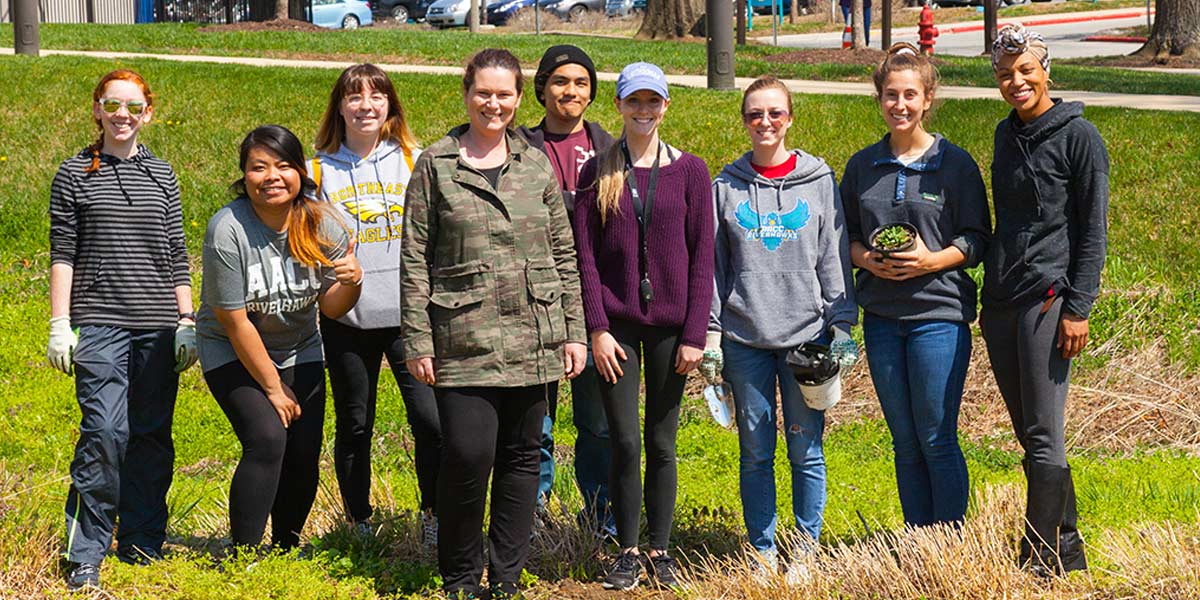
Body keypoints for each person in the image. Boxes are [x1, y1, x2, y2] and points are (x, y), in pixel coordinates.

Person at [399, 48, 587, 600]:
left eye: (505, 94)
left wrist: (573, 329)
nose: (494, 103)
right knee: (467, 454)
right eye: (484, 92)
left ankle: (506, 578)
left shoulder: (536, 164)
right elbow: (415, 258)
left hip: (534, 332)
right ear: (466, 94)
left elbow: (563, 250)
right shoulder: (436, 165)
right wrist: (417, 337)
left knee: (523, 456)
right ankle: (459, 577)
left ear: (518, 98)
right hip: (462, 337)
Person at [50, 69, 197, 591]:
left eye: (133, 108)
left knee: (151, 435)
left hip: (158, 325)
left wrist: (187, 320)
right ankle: (85, 551)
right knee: (105, 433)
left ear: (148, 114)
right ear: (96, 109)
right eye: (113, 105)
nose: (122, 116)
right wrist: (60, 322)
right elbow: (63, 252)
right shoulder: (74, 173)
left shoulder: (163, 175)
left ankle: (141, 541)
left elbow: (177, 253)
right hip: (100, 324)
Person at [705, 75, 857, 579]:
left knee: (805, 447)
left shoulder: (817, 182)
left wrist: (841, 323)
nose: (764, 122)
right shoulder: (724, 188)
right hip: (745, 338)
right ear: (744, 121)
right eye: (754, 114)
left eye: (774, 113)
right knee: (755, 451)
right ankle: (762, 548)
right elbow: (713, 268)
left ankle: (806, 548)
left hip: (805, 340)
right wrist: (710, 334)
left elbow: (833, 257)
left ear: (790, 117)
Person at [573, 62, 715, 591]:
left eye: (653, 101)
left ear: (666, 106)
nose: (644, 111)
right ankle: (627, 550)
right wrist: (597, 328)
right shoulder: (599, 173)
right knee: (624, 441)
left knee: (661, 440)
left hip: (671, 330)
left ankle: (661, 548)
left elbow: (703, 257)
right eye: (635, 101)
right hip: (618, 329)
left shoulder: (691, 171)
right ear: (618, 106)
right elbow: (585, 258)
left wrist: (696, 334)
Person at [841, 44, 990, 529]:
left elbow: (976, 239)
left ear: (928, 99)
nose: (899, 105)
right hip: (883, 317)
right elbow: (845, 238)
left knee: (936, 435)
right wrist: (867, 260)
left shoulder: (955, 163)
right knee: (903, 440)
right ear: (879, 100)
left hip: (938, 316)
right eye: (890, 95)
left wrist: (931, 260)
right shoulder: (863, 167)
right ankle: (917, 539)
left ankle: (948, 542)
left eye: (910, 95)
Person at [197, 125, 362, 553]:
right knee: (268, 438)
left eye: (284, 165)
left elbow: (330, 307)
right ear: (244, 176)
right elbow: (234, 322)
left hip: (300, 346)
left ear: (301, 172)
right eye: (259, 167)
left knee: (304, 450)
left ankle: (286, 547)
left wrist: (353, 282)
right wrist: (273, 388)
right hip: (230, 347)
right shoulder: (227, 229)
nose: (272, 176)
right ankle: (243, 553)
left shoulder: (323, 222)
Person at [984, 24, 1107, 577]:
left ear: (1046, 70)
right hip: (1002, 301)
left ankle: (1038, 559)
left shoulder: (1080, 138)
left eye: (1026, 70)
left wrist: (1078, 307)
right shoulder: (1004, 136)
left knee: (1042, 434)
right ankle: (1070, 547)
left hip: (1049, 300)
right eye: (1006, 74)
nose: (1017, 82)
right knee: (1033, 433)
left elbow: (1093, 232)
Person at [310, 63, 441, 544]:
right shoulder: (316, 170)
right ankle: (359, 521)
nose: (366, 105)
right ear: (339, 106)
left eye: (376, 95)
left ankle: (433, 516)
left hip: (411, 316)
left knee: (431, 421)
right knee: (355, 423)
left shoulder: (415, 160)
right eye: (354, 96)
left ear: (390, 104)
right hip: (348, 316)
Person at [516, 44, 617, 538]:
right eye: (559, 81)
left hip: (597, 300)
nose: (570, 91)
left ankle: (600, 513)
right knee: (537, 421)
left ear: (592, 92)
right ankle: (532, 513)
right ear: (541, 88)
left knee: (596, 422)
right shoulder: (517, 147)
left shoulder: (612, 150)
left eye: (580, 82)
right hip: (534, 301)